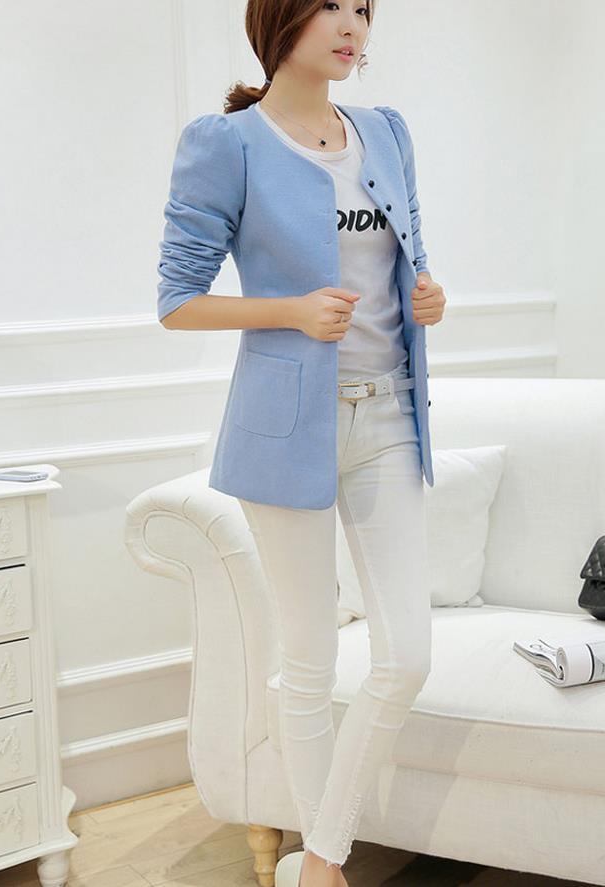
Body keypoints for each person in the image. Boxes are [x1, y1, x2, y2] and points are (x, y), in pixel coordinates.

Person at [157, 2, 446, 884]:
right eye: (333, 6)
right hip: (286, 425)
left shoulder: (385, 131)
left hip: (389, 412)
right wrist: (289, 310)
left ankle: (321, 854)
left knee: (406, 655)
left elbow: (407, 257)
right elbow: (178, 301)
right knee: (309, 660)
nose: (353, 26)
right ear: (282, 15)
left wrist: (429, 293)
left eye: (364, 9)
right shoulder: (227, 144)